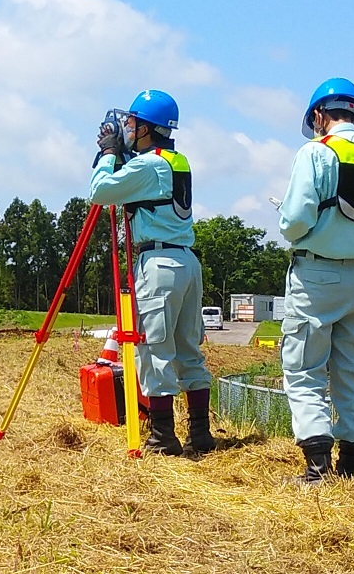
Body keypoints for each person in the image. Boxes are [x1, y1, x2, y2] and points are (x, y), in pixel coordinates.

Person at [277, 78, 354, 482]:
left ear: (319, 115)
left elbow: (294, 220)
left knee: (304, 368)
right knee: (352, 372)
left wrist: (290, 228)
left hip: (318, 275)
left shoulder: (315, 152)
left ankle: (316, 467)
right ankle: (351, 470)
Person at [90, 89, 215, 456]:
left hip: (158, 264)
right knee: (189, 351)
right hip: (186, 262)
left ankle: (162, 435)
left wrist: (109, 155)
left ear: (147, 128)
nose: (126, 128)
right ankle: (200, 433)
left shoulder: (148, 165)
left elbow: (100, 191)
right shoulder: (175, 160)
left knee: (153, 350)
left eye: (132, 123)